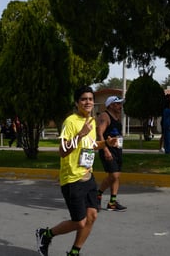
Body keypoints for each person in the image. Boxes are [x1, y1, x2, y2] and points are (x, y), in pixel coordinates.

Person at [36, 86, 118, 256]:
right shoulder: (70, 122)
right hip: (72, 179)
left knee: (92, 216)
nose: (87, 102)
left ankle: (74, 252)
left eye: (90, 99)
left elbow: (91, 146)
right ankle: (45, 235)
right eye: (83, 99)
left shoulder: (91, 121)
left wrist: (106, 144)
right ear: (77, 102)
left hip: (88, 176)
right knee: (80, 222)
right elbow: (63, 150)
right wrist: (80, 135)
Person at [96, 96, 127, 212]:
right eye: (118, 104)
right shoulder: (105, 116)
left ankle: (112, 203)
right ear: (111, 105)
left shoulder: (117, 117)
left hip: (117, 150)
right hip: (108, 150)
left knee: (116, 176)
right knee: (113, 175)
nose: (120, 106)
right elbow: (99, 133)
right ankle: (98, 195)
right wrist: (105, 150)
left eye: (120, 104)